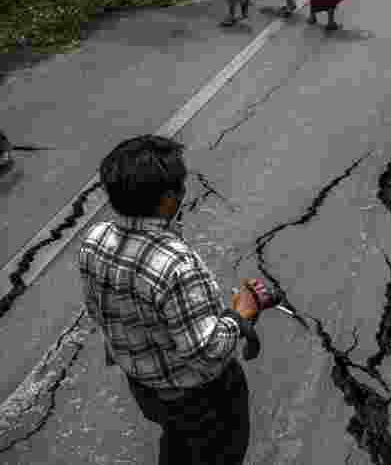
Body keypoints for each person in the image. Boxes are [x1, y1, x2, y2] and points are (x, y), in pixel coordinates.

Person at [78, 135, 260, 465]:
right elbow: (206, 353)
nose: (183, 193)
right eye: (180, 187)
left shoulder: (94, 240)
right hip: (199, 398)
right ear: (166, 200)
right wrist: (240, 314)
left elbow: (100, 311)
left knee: (179, 442)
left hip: (145, 388)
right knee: (219, 454)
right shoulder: (175, 265)